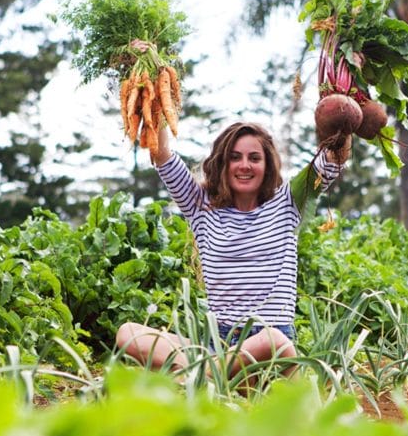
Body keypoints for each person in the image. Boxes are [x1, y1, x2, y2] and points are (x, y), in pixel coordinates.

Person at [115, 120, 349, 378]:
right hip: (218, 345)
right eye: (235, 157)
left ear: (267, 165)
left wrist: (345, 111)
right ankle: (211, 374)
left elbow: (334, 160)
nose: (244, 165)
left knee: (272, 339)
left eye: (254, 158)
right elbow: (162, 154)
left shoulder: (288, 202)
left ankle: (199, 376)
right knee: (128, 333)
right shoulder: (200, 205)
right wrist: (156, 108)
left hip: (269, 350)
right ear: (222, 163)